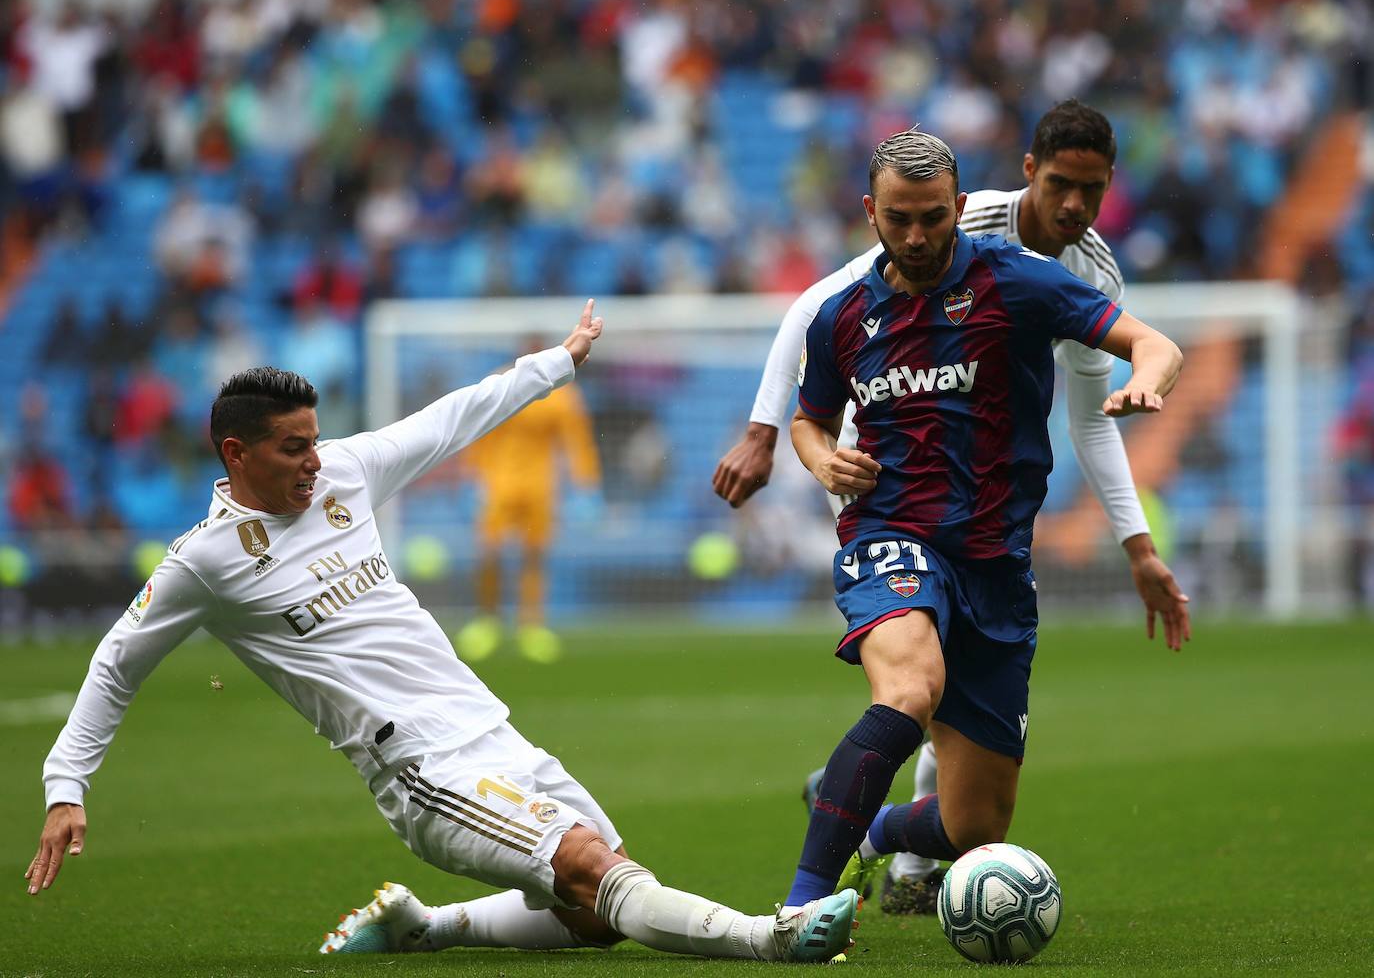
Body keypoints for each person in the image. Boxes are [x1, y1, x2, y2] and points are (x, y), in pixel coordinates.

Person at [26, 301, 857, 965]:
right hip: (415, 764)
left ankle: (425, 927)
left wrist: (555, 363)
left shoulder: (344, 472)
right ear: (236, 453)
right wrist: (68, 786)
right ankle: (770, 938)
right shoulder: (204, 562)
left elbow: (452, 418)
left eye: (315, 442)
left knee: (595, 916)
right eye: (293, 450)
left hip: (485, 726)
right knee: (594, 869)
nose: (314, 462)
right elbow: (114, 664)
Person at [714, 101, 1191, 912]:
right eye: (898, 220)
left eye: (933, 219)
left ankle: (880, 830)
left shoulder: (1026, 282)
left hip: (995, 559)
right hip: (889, 531)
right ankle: (799, 909)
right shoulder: (845, 313)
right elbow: (810, 417)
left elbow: (1155, 343)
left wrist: (1150, 380)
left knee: (976, 826)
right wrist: (817, 456)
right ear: (871, 214)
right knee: (908, 688)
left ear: (961, 209)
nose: (917, 236)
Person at [455, 338, 603, 664]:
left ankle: (531, 624)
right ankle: (487, 620)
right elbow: (478, 430)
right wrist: (470, 475)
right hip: (498, 482)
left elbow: (575, 440)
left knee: (534, 554)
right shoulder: (501, 383)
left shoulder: (562, 393)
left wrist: (586, 484)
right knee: (489, 552)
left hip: (540, 484)